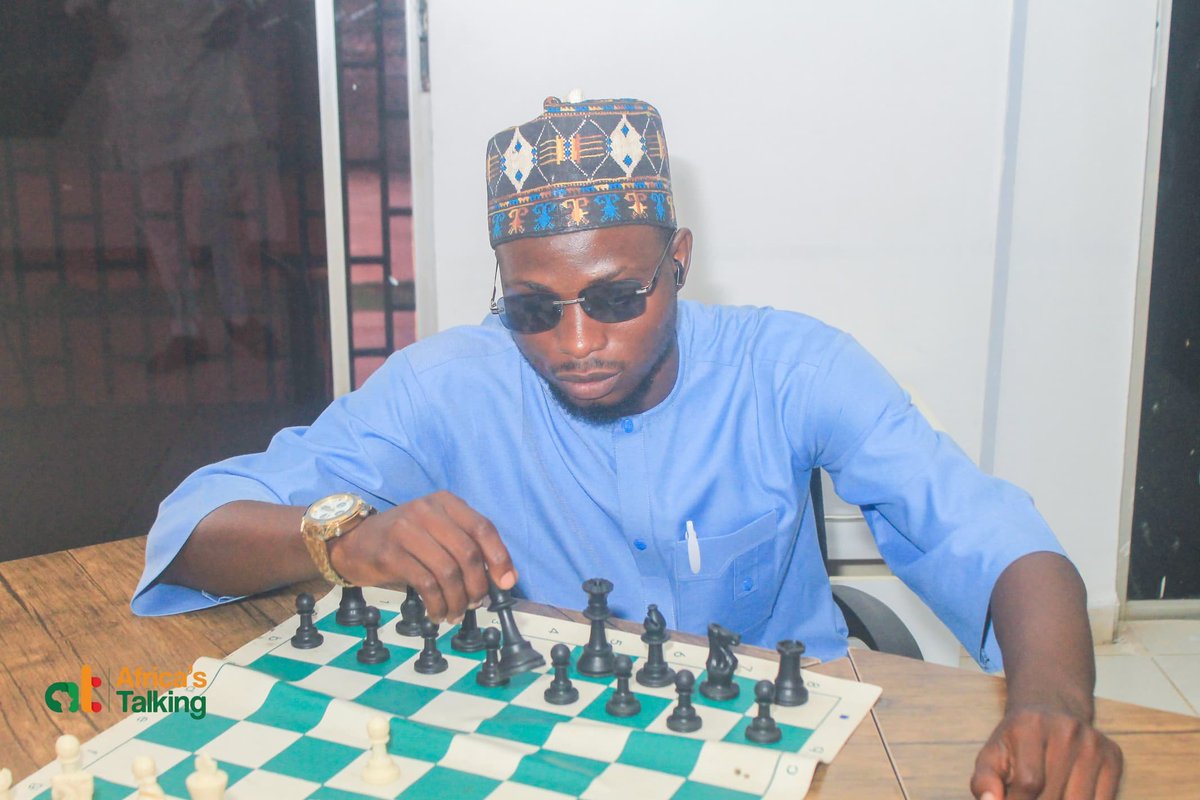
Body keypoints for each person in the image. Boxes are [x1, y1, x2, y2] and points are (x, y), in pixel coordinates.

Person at [135, 96, 1122, 798]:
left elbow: (993, 538)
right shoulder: (450, 385)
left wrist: (1052, 702)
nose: (575, 344)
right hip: (538, 752)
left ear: (678, 260)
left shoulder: (793, 368)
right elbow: (191, 527)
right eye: (532, 308)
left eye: (615, 298)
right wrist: (342, 536)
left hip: (787, 753)